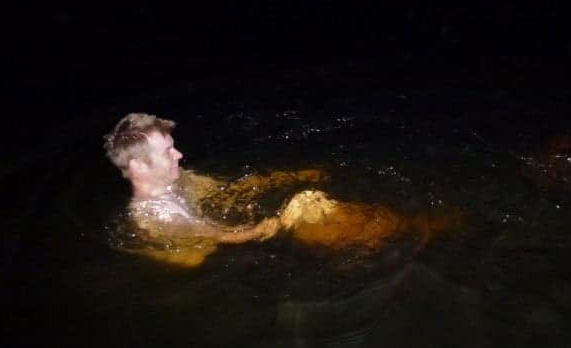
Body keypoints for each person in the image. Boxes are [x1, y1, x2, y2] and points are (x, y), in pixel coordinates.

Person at [104, 113, 463, 267]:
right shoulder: (150, 218)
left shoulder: (182, 180)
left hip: (243, 242)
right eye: (168, 151)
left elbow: (239, 187)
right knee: (307, 207)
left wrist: (290, 175)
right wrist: (270, 225)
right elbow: (217, 238)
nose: (179, 154)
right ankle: (413, 233)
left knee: (309, 199)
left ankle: (405, 231)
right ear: (138, 166)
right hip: (231, 261)